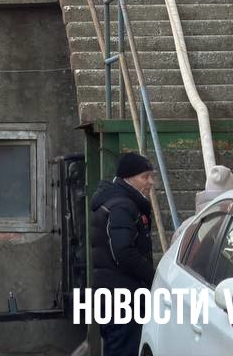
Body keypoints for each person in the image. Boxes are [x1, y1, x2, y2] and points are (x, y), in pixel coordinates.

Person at [90, 152, 155, 356]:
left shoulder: (120, 203)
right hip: (123, 301)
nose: (151, 182)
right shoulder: (121, 206)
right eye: (145, 177)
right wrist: (155, 277)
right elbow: (124, 253)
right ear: (128, 178)